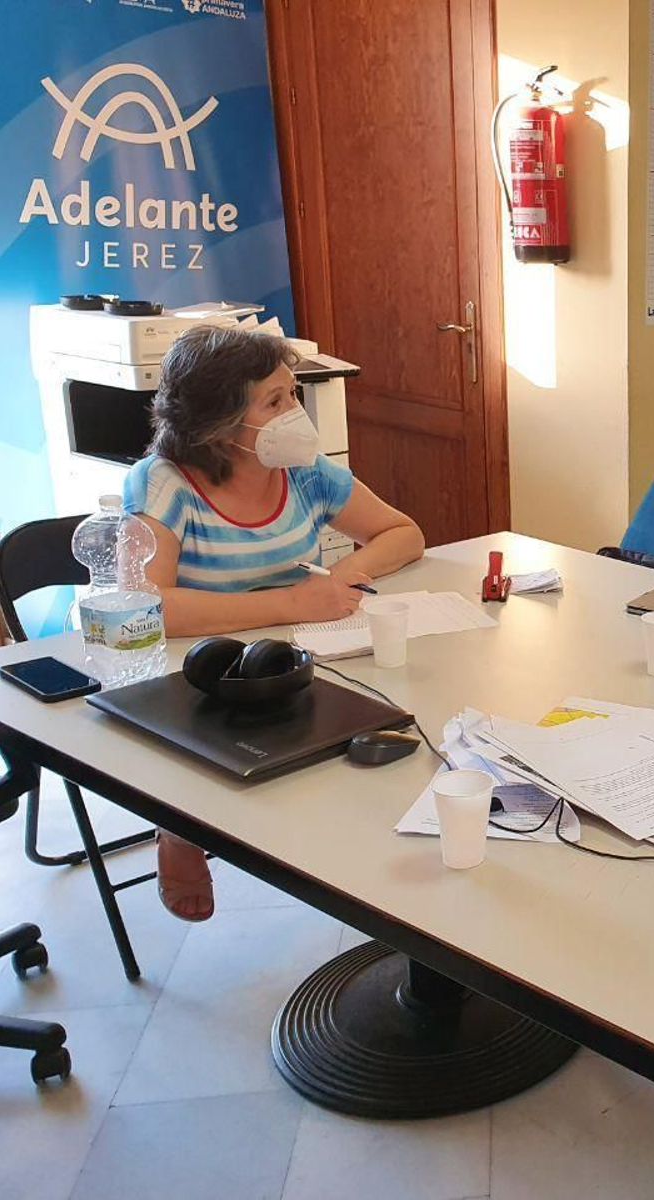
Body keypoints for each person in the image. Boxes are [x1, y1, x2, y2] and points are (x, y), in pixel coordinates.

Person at [124, 324, 425, 919]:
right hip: (195, 670)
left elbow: (403, 533)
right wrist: (289, 604)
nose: (296, 413)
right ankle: (178, 828)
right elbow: (148, 606)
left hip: (291, 657)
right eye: (275, 401)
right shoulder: (163, 483)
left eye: (294, 394)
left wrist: (339, 581)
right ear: (219, 424)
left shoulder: (306, 473)